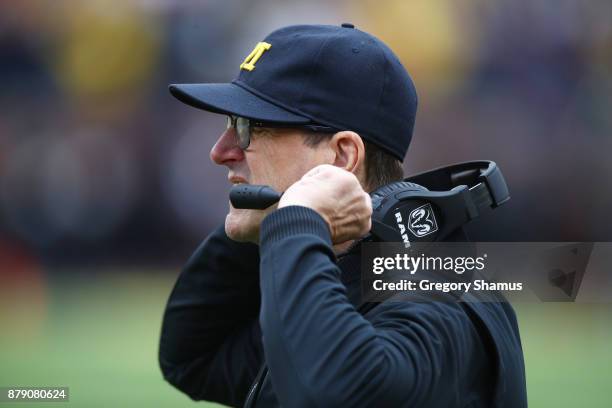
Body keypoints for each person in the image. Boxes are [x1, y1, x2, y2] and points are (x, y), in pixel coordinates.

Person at [158, 24, 527, 407]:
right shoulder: (345, 280)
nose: (220, 151)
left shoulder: (438, 308)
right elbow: (192, 356)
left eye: (250, 127)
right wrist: (279, 221)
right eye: (229, 123)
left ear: (342, 158)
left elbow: (326, 393)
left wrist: (296, 221)